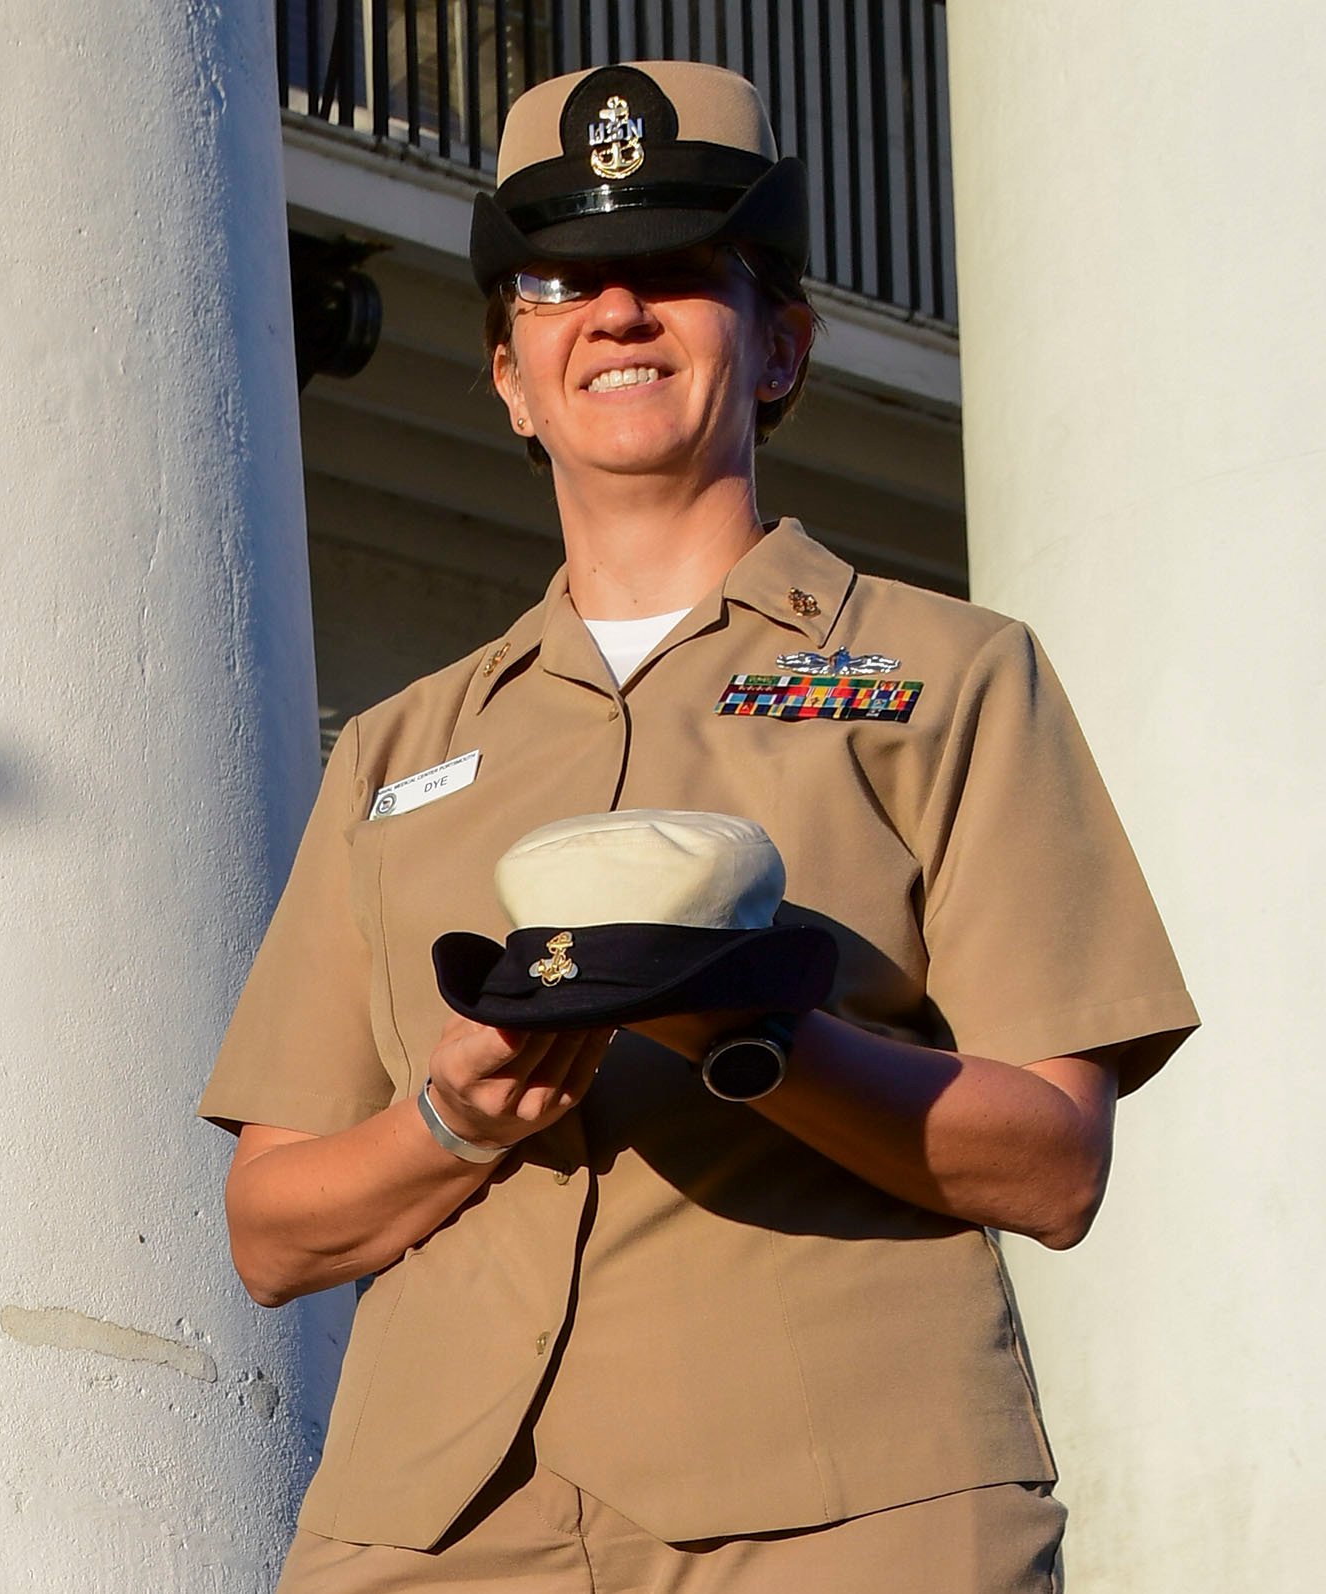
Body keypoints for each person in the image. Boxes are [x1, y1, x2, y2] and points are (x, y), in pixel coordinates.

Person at [199, 60, 1196, 1593]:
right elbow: (273, 1226)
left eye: (676, 272)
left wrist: (756, 1032)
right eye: (559, 284)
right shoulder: (399, 751)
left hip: (850, 1520)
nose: (616, 312)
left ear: (781, 345)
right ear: (511, 375)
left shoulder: (945, 676)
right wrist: (457, 1118)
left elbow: (1053, 1160)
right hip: (441, 1529)